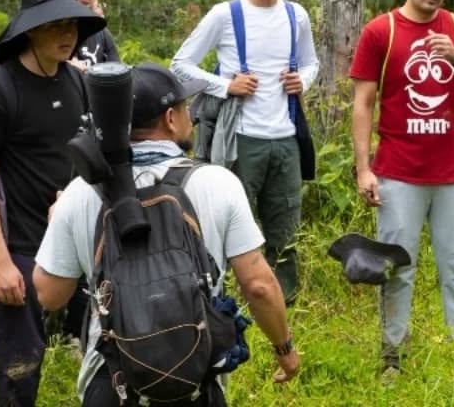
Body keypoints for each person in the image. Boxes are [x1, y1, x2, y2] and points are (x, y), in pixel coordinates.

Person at [33, 62, 300, 403]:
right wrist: (285, 350)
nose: (192, 118)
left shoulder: (80, 193)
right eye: (187, 109)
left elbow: (50, 295)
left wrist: (56, 219)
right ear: (171, 118)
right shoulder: (217, 183)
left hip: (112, 381)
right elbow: (259, 285)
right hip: (195, 380)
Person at [349, 0, 454, 374]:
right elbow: (363, 103)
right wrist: (363, 169)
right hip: (398, 174)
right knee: (396, 269)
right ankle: (392, 356)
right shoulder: (381, 31)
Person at [0, 0, 103, 405]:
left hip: (77, 238)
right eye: (55, 25)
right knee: (20, 365)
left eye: (72, 25)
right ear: (30, 30)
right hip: (21, 244)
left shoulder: (77, 81)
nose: (67, 34)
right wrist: (0, 262)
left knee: (104, 346)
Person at [171, 0, 318, 303]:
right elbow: (180, 66)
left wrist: (303, 81)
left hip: (285, 138)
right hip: (239, 139)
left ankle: (283, 304)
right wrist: (226, 85)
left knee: (285, 227)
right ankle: (221, 303)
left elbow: (311, 62)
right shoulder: (225, 14)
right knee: (228, 225)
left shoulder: (296, 15)